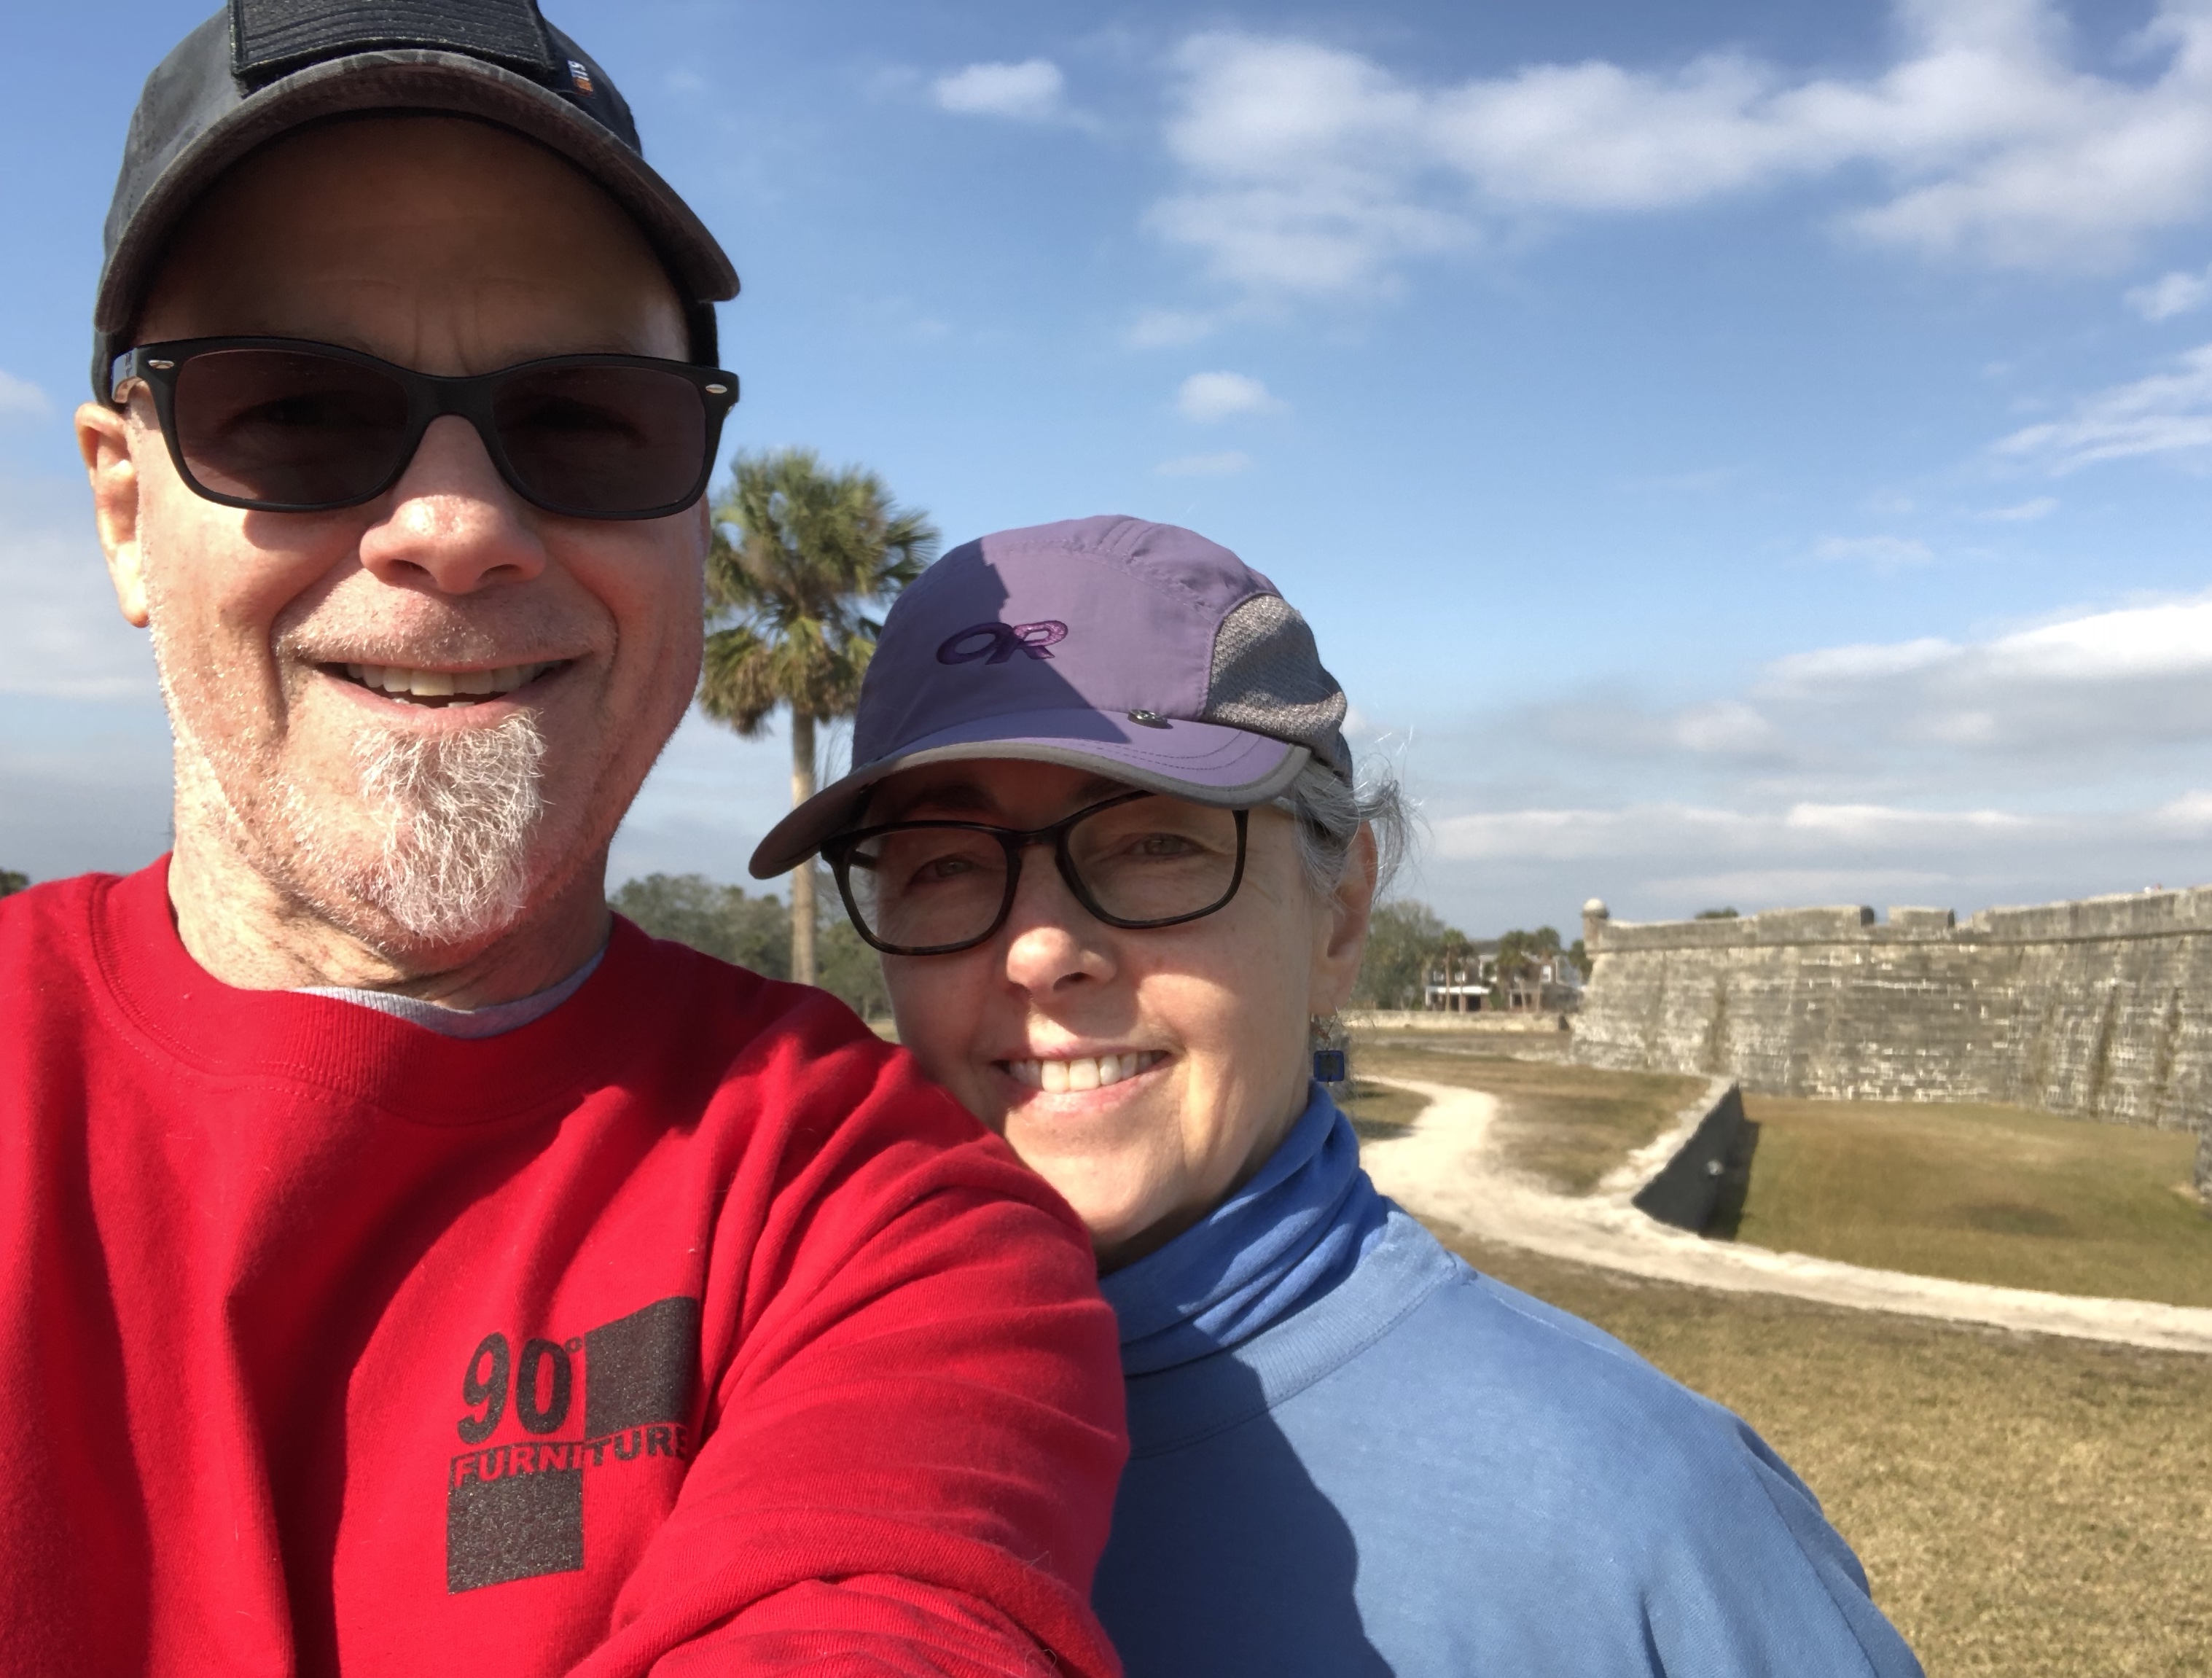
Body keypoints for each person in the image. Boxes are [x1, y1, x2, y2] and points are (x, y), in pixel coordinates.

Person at [1, 7, 1126, 1674]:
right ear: (123, 510)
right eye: (294, 411)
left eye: (589, 422)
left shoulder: (879, 1214)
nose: (457, 527)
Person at [750, 515, 1926, 1677]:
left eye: (1155, 843)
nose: (1041, 950)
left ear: (1341, 913)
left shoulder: (1645, 1532)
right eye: (946, 862)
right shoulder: (754, 1430)